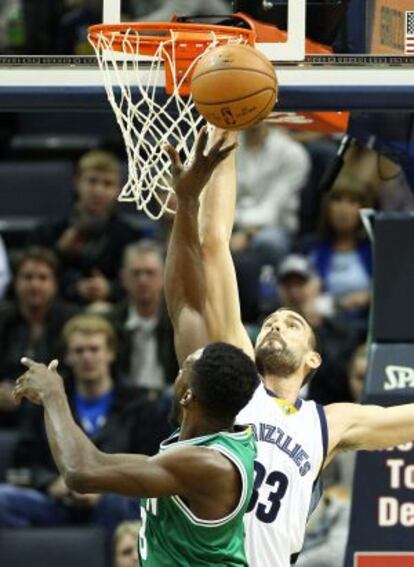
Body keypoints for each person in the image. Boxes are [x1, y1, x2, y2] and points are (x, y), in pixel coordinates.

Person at [163, 126, 414, 567]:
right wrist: (226, 131)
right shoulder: (236, 382)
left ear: (313, 358)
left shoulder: (329, 423)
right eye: (271, 322)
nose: (277, 324)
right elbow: (214, 244)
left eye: (292, 323)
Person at [13, 337, 259, 564]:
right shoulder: (207, 437)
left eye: (183, 369)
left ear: (187, 396)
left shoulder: (207, 464)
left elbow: (81, 471)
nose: (177, 373)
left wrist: (53, 394)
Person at [0, 314, 169, 536]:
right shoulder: (46, 401)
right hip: (58, 502)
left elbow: (151, 463)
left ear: (110, 353)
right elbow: (26, 459)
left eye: (94, 349)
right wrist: (53, 483)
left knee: (121, 504)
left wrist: (103, 487)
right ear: (68, 356)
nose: (87, 357)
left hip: (117, 501)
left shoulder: (141, 404)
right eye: (79, 351)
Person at [32, 149, 146, 305]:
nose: (98, 191)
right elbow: (31, 279)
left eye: (107, 184)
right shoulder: (48, 232)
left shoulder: (130, 236)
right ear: (76, 182)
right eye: (92, 181)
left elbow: (145, 283)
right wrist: (59, 252)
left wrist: (110, 289)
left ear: (118, 189)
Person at [0, 246, 78, 427]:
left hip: (57, 411)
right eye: (27, 277)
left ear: (55, 284)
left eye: (42, 278)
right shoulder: (3, 319)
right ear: (15, 282)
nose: (34, 284)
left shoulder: (71, 321)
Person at [110, 240, 177, 391]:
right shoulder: (111, 322)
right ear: (123, 278)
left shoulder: (178, 322)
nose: (142, 280)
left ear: (164, 276)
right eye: (136, 273)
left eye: (150, 273)